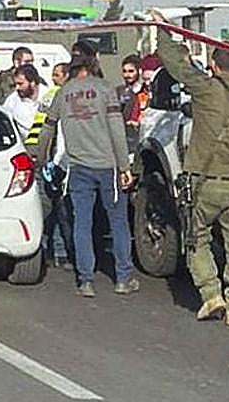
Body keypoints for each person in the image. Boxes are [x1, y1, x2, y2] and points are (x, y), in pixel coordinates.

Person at [150, 11, 229, 328]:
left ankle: (211, 294)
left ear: (215, 66)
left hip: (204, 183)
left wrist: (164, 30)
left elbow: (176, 64)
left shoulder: (204, 90)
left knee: (197, 240)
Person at [37, 57, 138, 297]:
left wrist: (40, 158)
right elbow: (116, 129)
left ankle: (85, 280)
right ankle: (123, 278)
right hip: (108, 165)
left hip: (78, 167)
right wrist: (125, 166)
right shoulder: (105, 89)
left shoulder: (64, 92)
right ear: (92, 69)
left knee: (82, 222)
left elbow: (47, 127)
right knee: (118, 222)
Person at [28, 62, 73, 267]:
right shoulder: (56, 95)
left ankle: (51, 250)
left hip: (51, 159)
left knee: (52, 210)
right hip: (53, 160)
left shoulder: (56, 94)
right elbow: (44, 128)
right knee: (57, 210)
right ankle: (59, 252)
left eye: (57, 75)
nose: (54, 78)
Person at [3, 64, 44, 141]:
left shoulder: (49, 97)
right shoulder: (12, 100)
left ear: (33, 82)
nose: (17, 88)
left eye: (20, 84)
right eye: (15, 84)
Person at [117, 54, 145, 157]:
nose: (127, 75)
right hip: (124, 135)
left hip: (141, 133)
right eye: (124, 71)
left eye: (131, 71)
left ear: (138, 71)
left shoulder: (145, 91)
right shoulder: (119, 91)